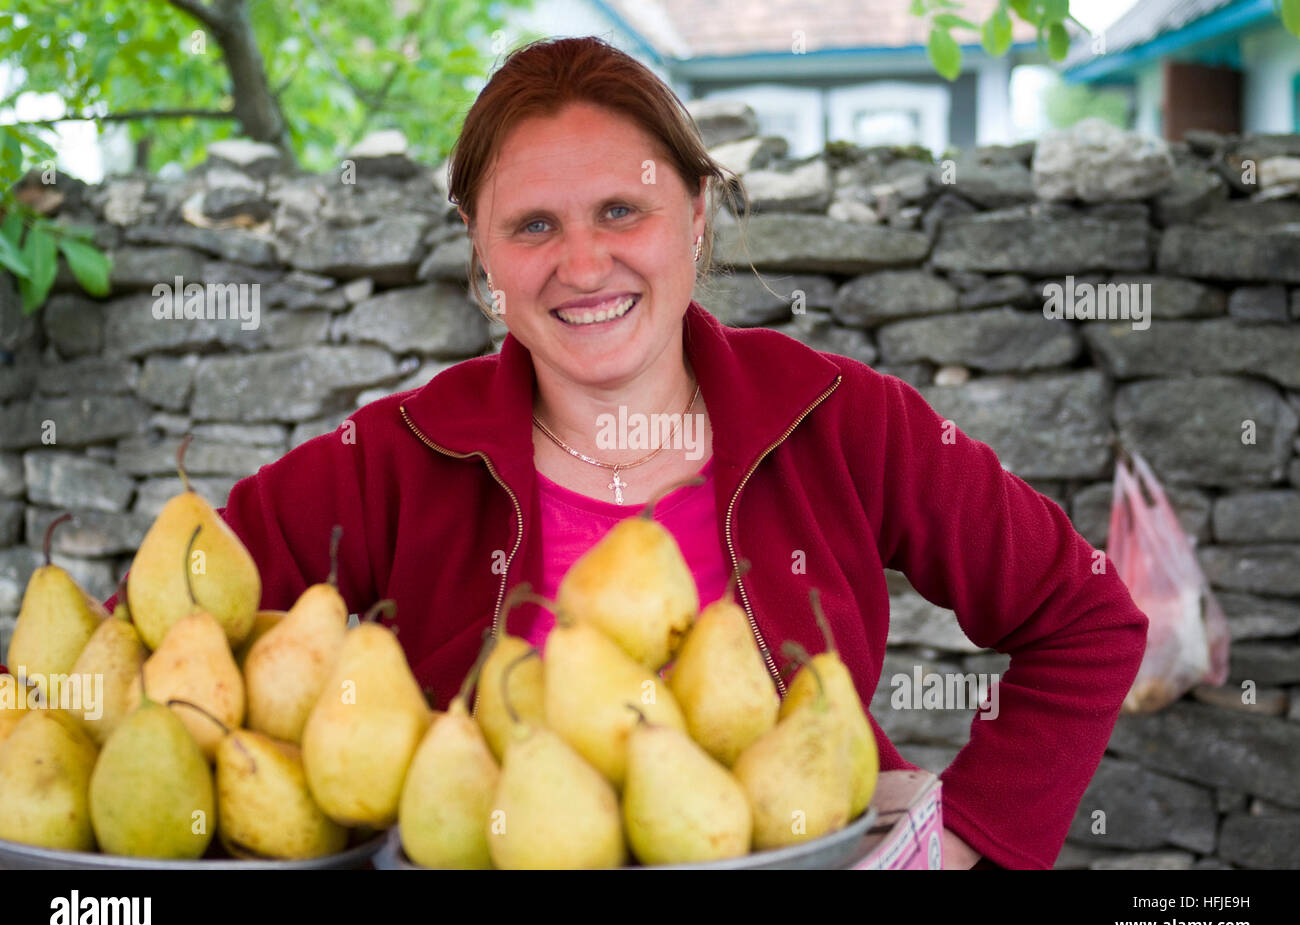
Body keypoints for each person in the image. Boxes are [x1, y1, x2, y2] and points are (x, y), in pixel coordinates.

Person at [106, 36, 1148, 870]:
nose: (583, 263)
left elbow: (1086, 616)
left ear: (694, 213)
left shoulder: (838, 416)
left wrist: (967, 835)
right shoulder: (389, 456)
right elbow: (139, 642)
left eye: (621, 210)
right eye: (532, 227)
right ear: (480, 251)